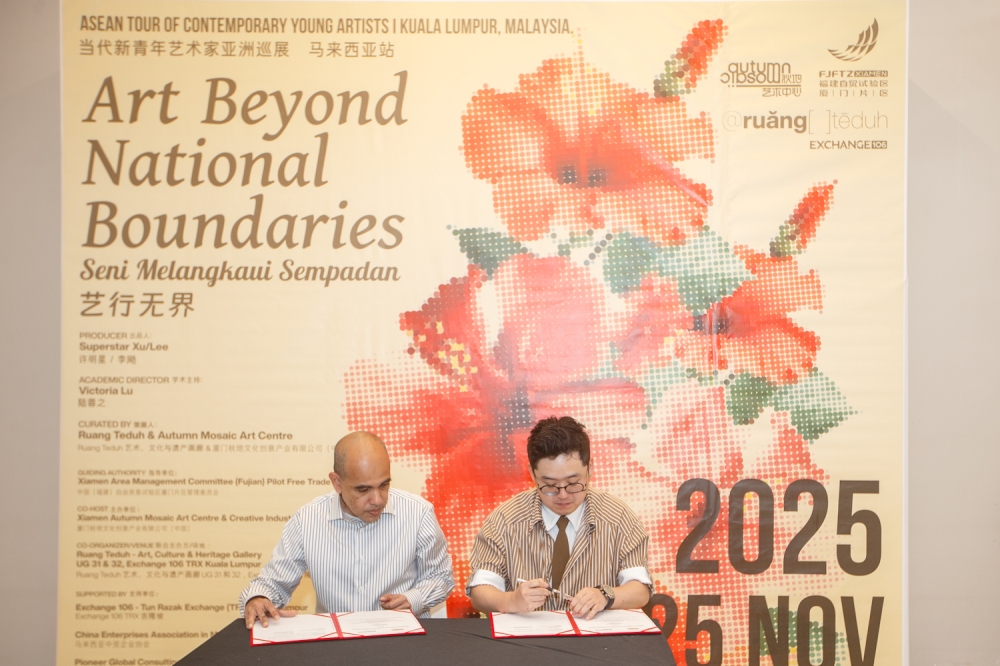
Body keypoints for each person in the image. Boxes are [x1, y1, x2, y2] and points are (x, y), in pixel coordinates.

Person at [239, 431, 454, 628]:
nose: (377, 500)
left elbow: (441, 577)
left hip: (402, 640)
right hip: (335, 647)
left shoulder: (418, 513)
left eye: (384, 485)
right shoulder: (307, 520)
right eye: (363, 489)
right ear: (337, 482)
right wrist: (258, 599)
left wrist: (413, 598)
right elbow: (274, 582)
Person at [467, 416, 652, 620]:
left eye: (573, 482)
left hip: (596, 643)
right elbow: (480, 591)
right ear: (532, 473)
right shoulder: (504, 520)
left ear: (590, 469)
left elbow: (640, 589)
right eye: (550, 485)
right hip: (525, 643)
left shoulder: (618, 517)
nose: (563, 494)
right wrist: (511, 601)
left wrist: (606, 595)